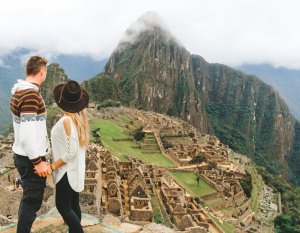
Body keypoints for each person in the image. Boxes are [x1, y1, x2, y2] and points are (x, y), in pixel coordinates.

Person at [10, 56, 51, 233]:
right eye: (45, 72)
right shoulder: (30, 96)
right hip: (30, 158)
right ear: (42, 72)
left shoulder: (19, 90)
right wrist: (38, 162)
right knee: (32, 201)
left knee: (28, 199)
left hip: (22, 154)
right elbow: (27, 135)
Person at [50, 80, 89, 233]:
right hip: (75, 170)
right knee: (73, 206)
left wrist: (53, 166)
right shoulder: (78, 119)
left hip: (66, 172)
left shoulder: (66, 120)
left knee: (63, 207)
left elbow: (71, 151)